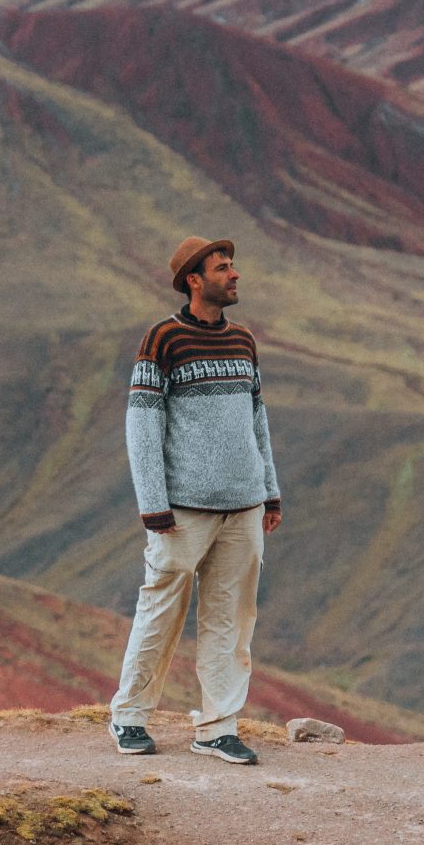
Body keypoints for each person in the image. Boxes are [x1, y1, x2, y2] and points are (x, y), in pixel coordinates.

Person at [109, 235, 281, 764]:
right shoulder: (163, 340)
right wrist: (153, 503)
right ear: (194, 279)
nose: (234, 276)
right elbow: (142, 426)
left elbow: (257, 420)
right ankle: (130, 718)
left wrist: (269, 491)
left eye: (233, 267)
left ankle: (217, 726)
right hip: (182, 512)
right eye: (223, 268)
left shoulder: (243, 341)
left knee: (231, 617)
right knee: (161, 609)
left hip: (245, 507)